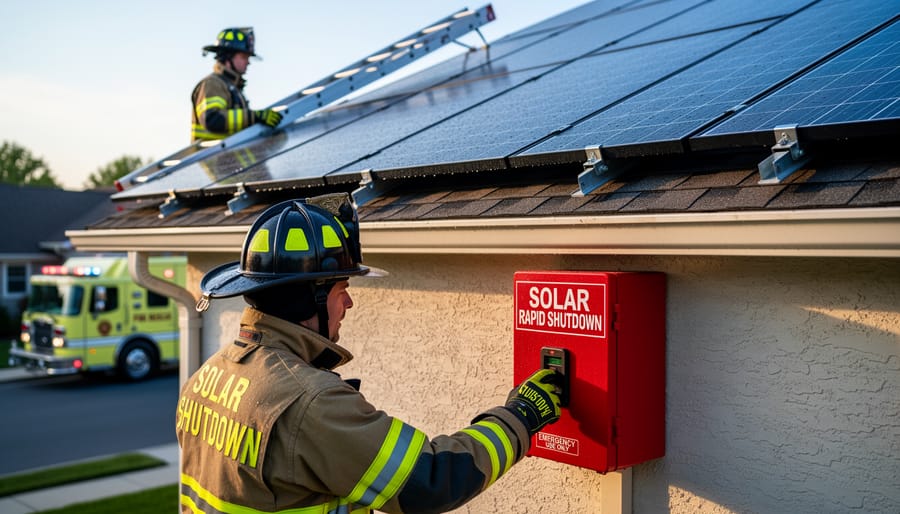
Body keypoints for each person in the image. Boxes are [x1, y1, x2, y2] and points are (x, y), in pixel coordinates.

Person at [177, 193, 563, 514]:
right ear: (309, 299)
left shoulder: (207, 377)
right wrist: (521, 416)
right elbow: (431, 479)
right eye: (341, 289)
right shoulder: (309, 403)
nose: (348, 303)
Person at [191, 27, 283, 142]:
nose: (248, 62)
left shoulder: (232, 87)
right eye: (244, 57)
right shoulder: (213, 83)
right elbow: (212, 120)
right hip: (214, 154)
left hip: (230, 153)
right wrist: (254, 117)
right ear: (228, 57)